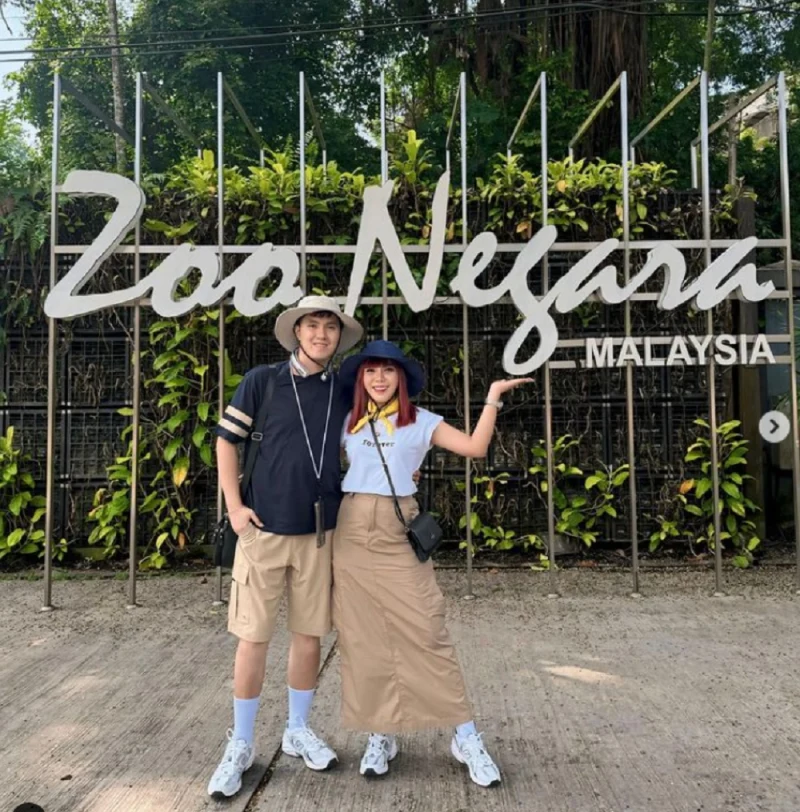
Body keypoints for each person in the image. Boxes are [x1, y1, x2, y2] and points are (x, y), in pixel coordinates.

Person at [333, 339, 532, 788]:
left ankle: (464, 735)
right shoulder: (347, 421)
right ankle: (381, 732)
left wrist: (492, 398)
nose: (379, 379)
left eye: (388, 371)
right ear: (361, 379)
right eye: (371, 371)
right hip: (349, 533)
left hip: (396, 527)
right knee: (365, 638)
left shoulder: (421, 421)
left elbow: (475, 448)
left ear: (401, 379)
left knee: (427, 630)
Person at [207, 295, 363, 800]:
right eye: (312, 326)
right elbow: (226, 441)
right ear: (297, 332)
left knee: (309, 635)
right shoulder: (262, 381)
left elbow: (367, 440)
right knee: (253, 638)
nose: (321, 334)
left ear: (339, 337)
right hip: (264, 530)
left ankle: (297, 730)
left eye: (330, 328)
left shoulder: (342, 389)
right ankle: (243, 742)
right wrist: (235, 508)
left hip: (320, 532)